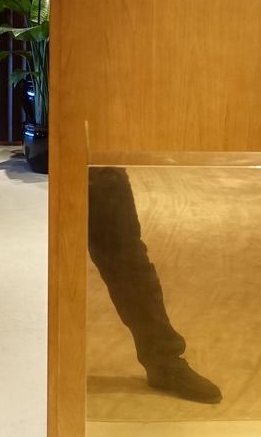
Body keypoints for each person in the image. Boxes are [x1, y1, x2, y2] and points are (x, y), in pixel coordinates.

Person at [89, 168, 222, 403]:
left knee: (127, 259)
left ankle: (163, 362)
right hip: (50, 168)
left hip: (97, 165)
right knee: (45, 265)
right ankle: (42, 367)